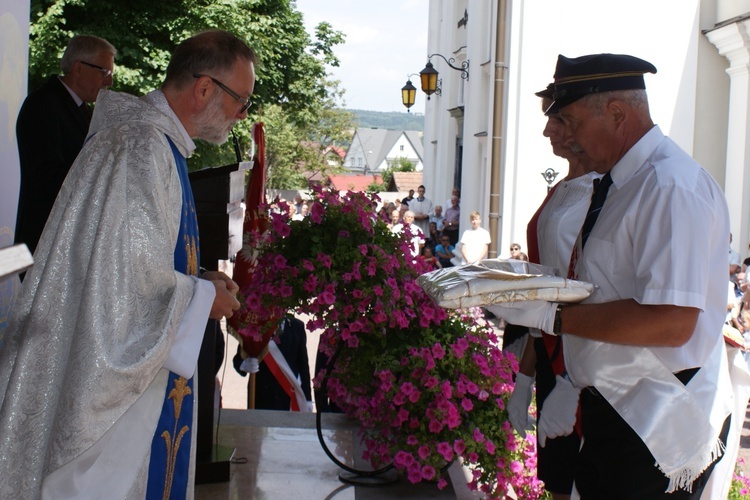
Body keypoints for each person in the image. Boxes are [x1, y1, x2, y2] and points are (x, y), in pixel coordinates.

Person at [0, 30, 254, 499]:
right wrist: (201, 298)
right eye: (241, 99)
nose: (243, 114)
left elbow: (128, 260)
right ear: (204, 89)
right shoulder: (142, 148)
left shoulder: (154, 142)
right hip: (108, 397)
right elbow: (124, 292)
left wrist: (198, 281)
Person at [489, 53, 732, 498]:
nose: (567, 137)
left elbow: (672, 322)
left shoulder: (668, 185)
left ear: (617, 114)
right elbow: (602, 291)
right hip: (613, 403)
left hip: (660, 413)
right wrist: (571, 378)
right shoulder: (620, 183)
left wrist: (552, 316)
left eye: (572, 121)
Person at [506, 83, 601, 500]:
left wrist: (571, 381)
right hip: (552, 352)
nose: (548, 131)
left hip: (583, 361)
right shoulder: (564, 187)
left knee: (578, 482)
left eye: (558, 119)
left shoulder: (603, 191)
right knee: (557, 481)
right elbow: (547, 288)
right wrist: (527, 373)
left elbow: (591, 290)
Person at [14, 35, 116, 257]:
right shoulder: (43, 105)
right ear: (78, 68)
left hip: (68, 240)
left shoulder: (80, 108)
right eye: (105, 72)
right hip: (45, 241)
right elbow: (48, 176)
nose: (109, 82)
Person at [253, 316, 312, 411]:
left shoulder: (297, 326)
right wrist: (244, 363)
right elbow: (238, 360)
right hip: (261, 397)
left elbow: (303, 365)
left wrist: (307, 398)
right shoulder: (255, 325)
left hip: (288, 397)